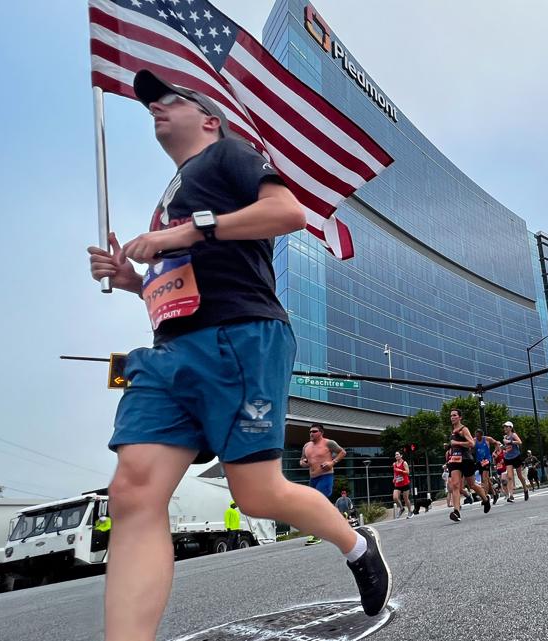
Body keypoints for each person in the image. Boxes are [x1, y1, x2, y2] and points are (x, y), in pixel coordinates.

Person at [85, 70, 390, 635]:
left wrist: (184, 233)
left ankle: (355, 543)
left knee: (258, 495)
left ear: (208, 117)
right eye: (150, 102)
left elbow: (287, 214)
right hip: (168, 350)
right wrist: (132, 280)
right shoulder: (169, 195)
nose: (155, 107)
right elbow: (179, 282)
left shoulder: (229, 156)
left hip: (239, 335)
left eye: (169, 99)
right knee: (132, 492)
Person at [300, 425, 346, 545]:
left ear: (321, 432)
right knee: (320, 504)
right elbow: (302, 460)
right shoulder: (306, 446)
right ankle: (342, 516)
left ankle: (317, 534)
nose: (311, 433)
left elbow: (342, 452)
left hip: (326, 476)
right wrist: (304, 463)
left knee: (316, 504)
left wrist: (332, 462)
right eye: (310, 431)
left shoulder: (329, 443)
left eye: (314, 431)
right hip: (313, 479)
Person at [446, 409, 491, 522]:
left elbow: (472, 443)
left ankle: (485, 500)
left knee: (472, 485)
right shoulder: (453, 431)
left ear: (460, 417)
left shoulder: (463, 429)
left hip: (466, 460)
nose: (452, 417)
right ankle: (456, 512)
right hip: (455, 461)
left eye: (455, 415)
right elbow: (453, 445)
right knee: (455, 485)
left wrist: (457, 443)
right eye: (451, 415)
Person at [501, 421, 533, 501]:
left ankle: (525, 489)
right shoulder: (505, 437)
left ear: (511, 428)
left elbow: (520, 442)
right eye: (504, 427)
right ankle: (511, 495)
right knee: (510, 477)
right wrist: (503, 447)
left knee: (519, 476)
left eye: (506, 427)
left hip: (516, 456)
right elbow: (507, 447)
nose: (505, 428)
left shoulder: (513, 435)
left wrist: (510, 442)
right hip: (508, 458)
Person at [474, 430, 501, 504]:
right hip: (479, 461)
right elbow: (470, 446)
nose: (477, 437)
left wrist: (495, 452)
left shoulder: (487, 439)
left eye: (478, 436)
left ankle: (485, 497)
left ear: (481, 435)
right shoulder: (474, 440)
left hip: (487, 460)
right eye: (476, 436)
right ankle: (495, 494)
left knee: (484, 479)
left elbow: (497, 443)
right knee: (486, 479)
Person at [391, 452, 414, 519]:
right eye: (395, 455)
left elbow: (407, 472)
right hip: (398, 484)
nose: (396, 456)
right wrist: (394, 478)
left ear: (401, 455)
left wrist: (400, 470)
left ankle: (410, 512)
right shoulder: (394, 464)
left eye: (397, 454)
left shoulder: (404, 463)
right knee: (395, 497)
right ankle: (401, 508)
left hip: (405, 483)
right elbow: (395, 472)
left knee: (405, 499)